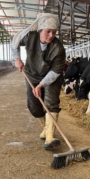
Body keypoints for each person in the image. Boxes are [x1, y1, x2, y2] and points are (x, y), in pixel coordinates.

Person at [11, 13, 66, 150]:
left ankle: (50, 137)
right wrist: (16, 58)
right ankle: (46, 129)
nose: (51, 35)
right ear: (40, 30)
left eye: (54, 32)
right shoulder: (30, 36)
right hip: (31, 74)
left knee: (51, 103)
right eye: (48, 31)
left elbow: (56, 71)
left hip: (51, 77)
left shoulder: (58, 48)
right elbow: (15, 41)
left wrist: (41, 85)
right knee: (33, 105)